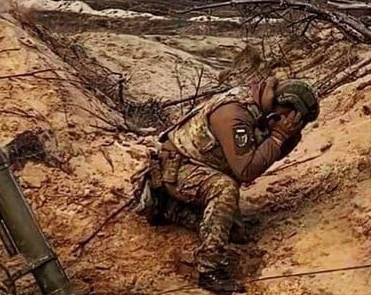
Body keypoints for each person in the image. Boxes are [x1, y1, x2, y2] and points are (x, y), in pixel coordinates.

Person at [135, 77, 319, 293]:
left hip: (200, 166)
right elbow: (246, 171)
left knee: (235, 232)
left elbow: (264, 158)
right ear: (284, 108)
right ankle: (209, 270)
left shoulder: (260, 107)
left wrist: (285, 138)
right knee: (224, 188)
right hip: (177, 168)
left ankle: (168, 208)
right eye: (294, 119)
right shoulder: (235, 114)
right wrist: (278, 137)